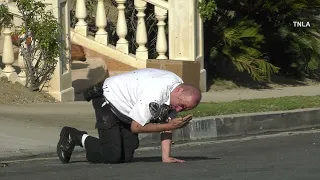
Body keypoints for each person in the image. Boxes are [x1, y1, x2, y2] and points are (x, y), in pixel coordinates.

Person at [56, 68, 202, 164]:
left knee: (126, 155)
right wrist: (168, 126)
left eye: (184, 108)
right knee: (112, 155)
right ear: (179, 91)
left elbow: (168, 120)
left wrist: (166, 157)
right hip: (108, 99)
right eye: (180, 105)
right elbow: (136, 127)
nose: (178, 109)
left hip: (127, 108)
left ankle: (105, 143)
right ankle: (74, 136)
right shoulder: (155, 94)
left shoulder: (176, 88)